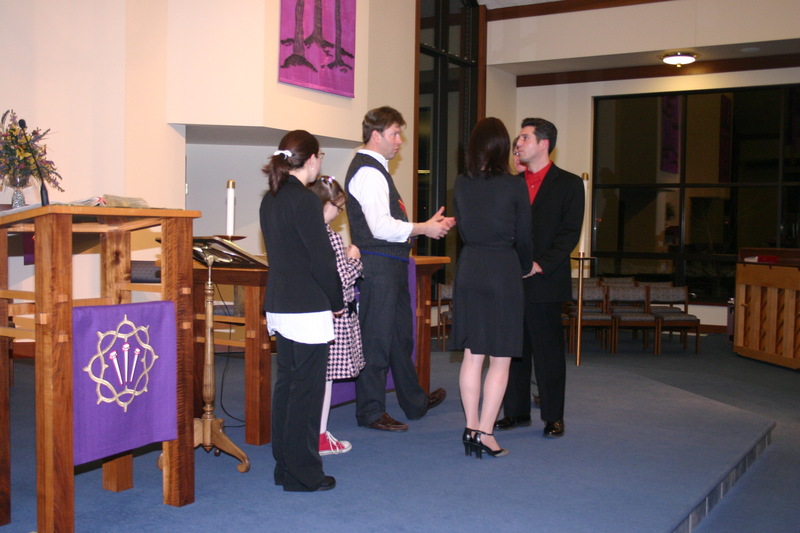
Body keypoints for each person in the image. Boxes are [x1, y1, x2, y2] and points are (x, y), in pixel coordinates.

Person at [345, 106, 455, 431]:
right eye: (394, 134)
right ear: (375, 135)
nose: (399, 141)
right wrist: (424, 228)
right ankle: (370, 412)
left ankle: (414, 401)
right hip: (378, 265)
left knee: (397, 338)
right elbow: (379, 227)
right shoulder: (369, 172)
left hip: (389, 264)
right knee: (377, 340)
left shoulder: (376, 170)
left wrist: (423, 227)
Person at [260, 130, 344, 491]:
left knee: (288, 387)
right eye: (320, 156)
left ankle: (285, 466)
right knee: (307, 393)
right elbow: (322, 261)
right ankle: (303, 473)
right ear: (311, 159)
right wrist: (337, 301)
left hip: (281, 304)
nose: (320, 162)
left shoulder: (271, 199)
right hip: (307, 307)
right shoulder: (306, 201)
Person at [495, 118, 584, 438]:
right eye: (518, 138)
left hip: (545, 280)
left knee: (548, 354)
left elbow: (569, 234)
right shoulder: (512, 183)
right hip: (512, 280)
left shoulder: (569, 184)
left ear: (544, 144)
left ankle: (553, 417)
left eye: (524, 138)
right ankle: (516, 412)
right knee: (514, 350)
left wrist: (539, 264)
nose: (517, 143)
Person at [451, 118, 534, 458]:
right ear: (502, 146)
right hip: (502, 269)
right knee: (500, 359)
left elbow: (462, 229)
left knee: (473, 355)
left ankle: (470, 427)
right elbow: (524, 236)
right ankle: (486, 432)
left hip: (470, 266)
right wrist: (525, 266)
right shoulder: (514, 185)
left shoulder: (461, 183)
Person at [308, 175, 365, 455]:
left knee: (311, 379)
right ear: (326, 203)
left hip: (310, 311)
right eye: (338, 207)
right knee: (325, 380)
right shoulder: (330, 236)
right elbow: (341, 281)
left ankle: (308, 433)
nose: (339, 213)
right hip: (333, 316)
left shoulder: (305, 230)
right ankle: (319, 437)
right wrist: (354, 260)